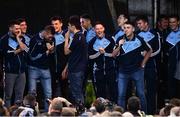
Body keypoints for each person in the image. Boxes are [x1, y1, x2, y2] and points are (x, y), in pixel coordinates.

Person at [112, 21, 152, 112]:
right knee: (121, 95)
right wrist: (120, 45)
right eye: (124, 28)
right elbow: (113, 55)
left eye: (128, 27)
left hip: (137, 70)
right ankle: (120, 114)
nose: (126, 30)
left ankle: (144, 114)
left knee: (141, 94)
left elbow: (149, 50)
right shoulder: (119, 39)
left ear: (133, 29)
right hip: (123, 71)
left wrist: (143, 63)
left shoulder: (140, 39)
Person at [136, 15, 161, 114]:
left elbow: (158, 50)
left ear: (146, 23)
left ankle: (151, 111)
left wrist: (147, 55)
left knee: (151, 89)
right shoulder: (136, 34)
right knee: (140, 90)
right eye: (137, 24)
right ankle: (140, 111)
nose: (138, 26)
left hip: (151, 65)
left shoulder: (155, 33)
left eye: (140, 23)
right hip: (139, 66)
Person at [0, 19, 28, 108]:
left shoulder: (21, 38)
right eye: (16, 29)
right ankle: (7, 113)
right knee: (8, 95)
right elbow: (5, 54)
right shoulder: (4, 39)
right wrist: (18, 50)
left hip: (21, 71)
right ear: (10, 28)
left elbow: (25, 49)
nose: (18, 31)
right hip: (10, 72)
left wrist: (17, 38)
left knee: (19, 95)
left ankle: (17, 113)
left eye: (19, 29)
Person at [28, 25, 55, 112]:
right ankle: (31, 112)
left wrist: (52, 51)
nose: (51, 38)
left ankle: (48, 112)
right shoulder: (34, 39)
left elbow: (52, 54)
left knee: (49, 94)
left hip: (46, 69)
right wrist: (46, 53)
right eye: (50, 36)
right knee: (32, 93)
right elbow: (32, 56)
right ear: (45, 33)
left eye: (52, 37)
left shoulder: (52, 39)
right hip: (33, 69)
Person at [88, 21, 117, 103]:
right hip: (98, 71)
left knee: (113, 92)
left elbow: (115, 54)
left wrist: (105, 53)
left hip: (111, 70)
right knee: (100, 94)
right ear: (94, 30)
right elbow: (90, 57)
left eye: (101, 28)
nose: (99, 30)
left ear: (104, 29)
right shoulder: (91, 42)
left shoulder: (111, 39)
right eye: (97, 29)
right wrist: (98, 53)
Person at [63, 15, 88, 106]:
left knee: (77, 92)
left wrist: (66, 38)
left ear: (73, 26)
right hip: (78, 68)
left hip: (76, 69)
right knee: (77, 91)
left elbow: (66, 52)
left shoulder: (78, 37)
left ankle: (81, 111)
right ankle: (80, 109)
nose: (68, 28)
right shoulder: (80, 36)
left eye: (69, 26)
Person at [50, 16, 68, 98]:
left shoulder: (66, 35)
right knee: (52, 90)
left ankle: (67, 109)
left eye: (56, 24)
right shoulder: (50, 36)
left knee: (65, 90)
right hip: (52, 69)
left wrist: (66, 68)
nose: (54, 26)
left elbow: (69, 54)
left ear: (61, 24)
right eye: (53, 24)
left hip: (64, 68)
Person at [165, 15, 180, 99]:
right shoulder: (166, 34)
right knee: (171, 84)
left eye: (174, 22)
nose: (172, 24)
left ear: (178, 22)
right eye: (170, 22)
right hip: (171, 64)